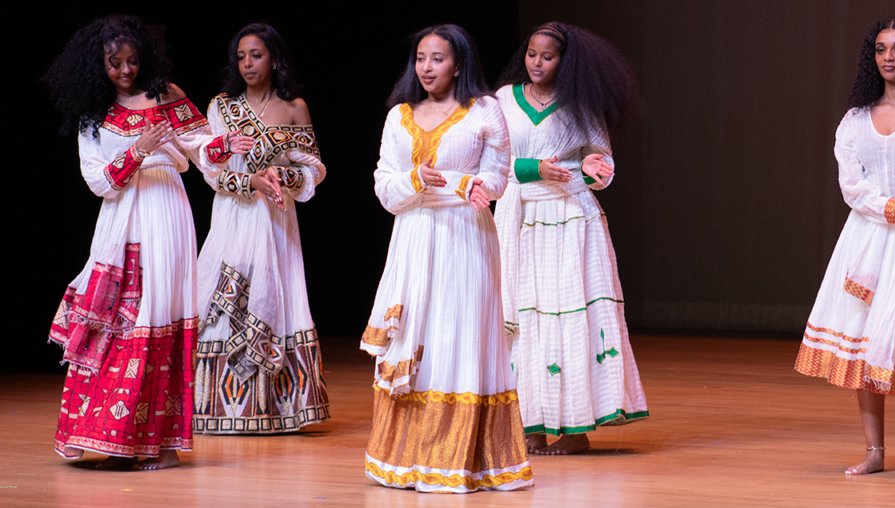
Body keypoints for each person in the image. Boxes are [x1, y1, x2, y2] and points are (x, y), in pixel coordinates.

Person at [43, 15, 251, 470]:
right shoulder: (93, 114)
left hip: (166, 213)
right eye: (114, 63)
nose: (124, 71)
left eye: (132, 61)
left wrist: (225, 145)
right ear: (97, 64)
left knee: (158, 311)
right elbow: (97, 180)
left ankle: (161, 443)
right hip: (122, 218)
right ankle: (102, 435)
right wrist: (137, 150)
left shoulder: (167, 95)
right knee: (115, 314)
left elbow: (200, 147)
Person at [360, 24, 533, 493]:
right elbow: (384, 186)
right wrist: (415, 180)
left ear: (458, 63)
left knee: (459, 337)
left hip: (465, 236)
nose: (427, 67)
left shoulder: (485, 111)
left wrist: (478, 187)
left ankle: (462, 461)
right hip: (415, 237)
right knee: (416, 335)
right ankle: (406, 458)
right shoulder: (399, 115)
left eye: (437, 58)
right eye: (420, 58)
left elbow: (497, 176)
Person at [794, 17, 895, 477]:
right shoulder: (854, 120)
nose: (889, 56)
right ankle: (875, 452)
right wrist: (891, 209)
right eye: (881, 49)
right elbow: (853, 187)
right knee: (864, 342)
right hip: (866, 239)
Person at [493, 22, 649, 455]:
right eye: (532, 54)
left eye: (548, 56)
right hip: (520, 215)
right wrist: (534, 169)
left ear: (566, 60)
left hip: (571, 218)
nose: (537, 63)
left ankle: (576, 428)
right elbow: (492, 161)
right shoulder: (504, 100)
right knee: (525, 318)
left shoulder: (582, 103)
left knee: (570, 317)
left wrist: (590, 171)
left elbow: (602, 162)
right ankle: (530, 425)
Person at [192, 23, 329, 435]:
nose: (248, 64)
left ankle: (276, 408)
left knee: (275, 296)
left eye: (256, 55)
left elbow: (315, 170)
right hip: (233, 214)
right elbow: (207, 167)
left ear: (274, 58)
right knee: (223, 298)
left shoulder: (294, 108)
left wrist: (279, 177)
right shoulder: (222, 106)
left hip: (274, 219)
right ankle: (217, 409)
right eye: (241, 57)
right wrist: (247, 181)